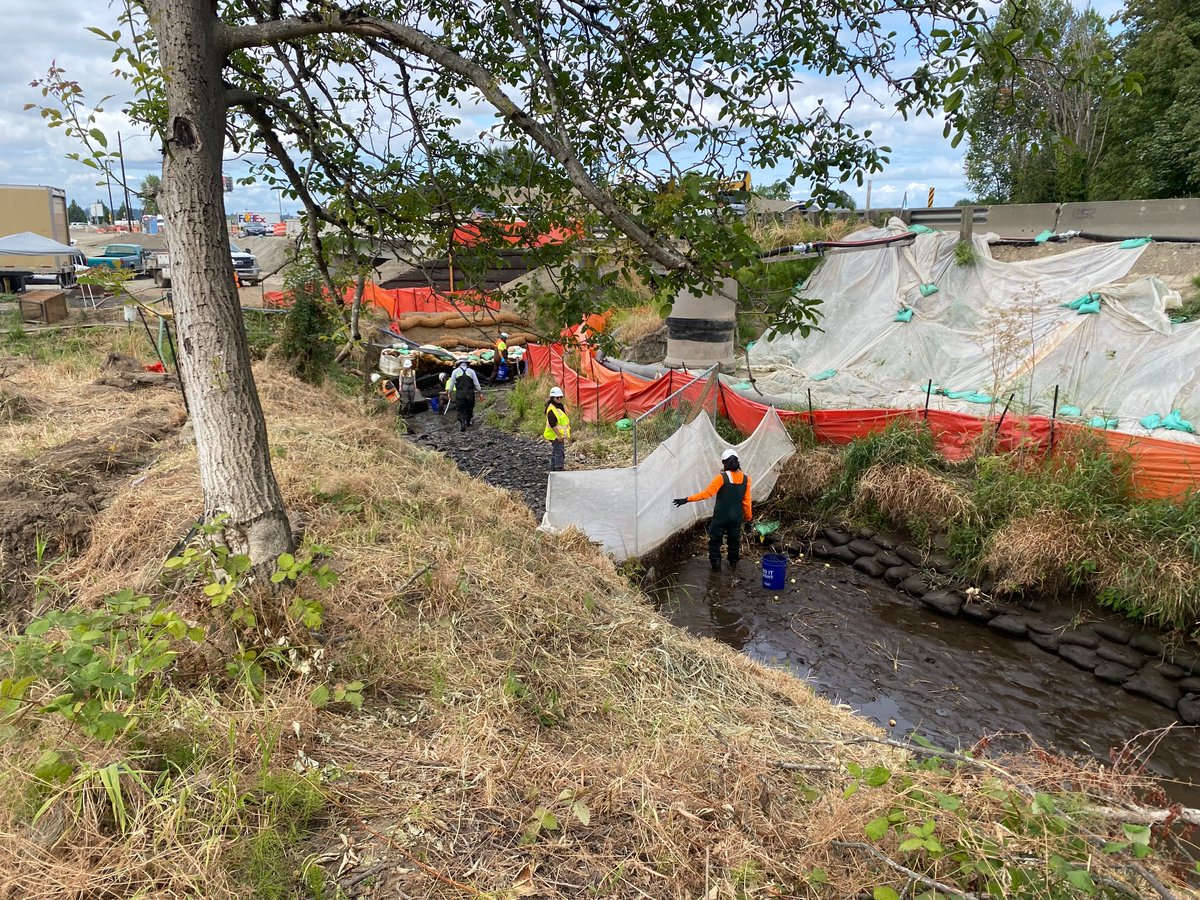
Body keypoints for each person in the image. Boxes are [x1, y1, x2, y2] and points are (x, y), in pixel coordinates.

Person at [673, 449, 752, 572]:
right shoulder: (746, 479)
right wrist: (749, 519)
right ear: (737, 462)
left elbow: (707, 493)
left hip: (720, 517)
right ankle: (733, 569)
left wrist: (687, 499)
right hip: (736, 518)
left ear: (724, 463)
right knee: (734, 542)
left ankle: (716, 571)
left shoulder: (721, 477)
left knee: (715, 542)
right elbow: (746, 502)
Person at [446, 358, 483, 431]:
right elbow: (476, 383)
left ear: (458, 364)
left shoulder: (455, 371)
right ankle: (468, 422)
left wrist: (449, 393)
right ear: (467, 364)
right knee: (470, 407)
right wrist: (480, 393)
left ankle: (462, 423)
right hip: (470, 393)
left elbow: (451, 384)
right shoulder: (471, 371)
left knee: (461, 408)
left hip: (460, 393)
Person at [544, 386, 571, 471]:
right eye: (557, 397)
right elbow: (552, 424)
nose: (559, 399)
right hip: (555, 435)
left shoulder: (559, 406)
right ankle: (559, 469)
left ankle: (553, 470)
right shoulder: (552, 409)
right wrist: (559, 435)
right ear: (552, 398)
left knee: (556, 452)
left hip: (557, 435)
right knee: (559, 452)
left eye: (561, 397)